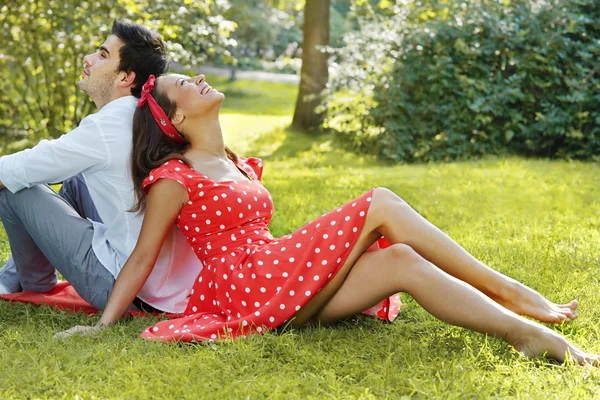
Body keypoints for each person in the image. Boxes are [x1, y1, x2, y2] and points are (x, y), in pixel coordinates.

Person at [57, 73, 599, 365]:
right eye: (184, 85)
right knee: (381, 201)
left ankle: (521, 333)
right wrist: (103, 323)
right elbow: (144, 255)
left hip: (272, 277)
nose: (198, 78)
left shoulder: (232, 163)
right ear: (175, 117)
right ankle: (512, 294)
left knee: (402, 260)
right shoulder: (174, 178)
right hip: (244, 286)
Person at [0, 21, 201, 315]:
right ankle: (9, 278)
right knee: (77, 182)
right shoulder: (145, 115)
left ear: (125, 77)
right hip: (166, 281)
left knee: (15, 190)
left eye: (103, 55)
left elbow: (17, 169)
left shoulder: (107, 127)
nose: (89, 59)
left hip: (128, 287)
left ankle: (32, 283)